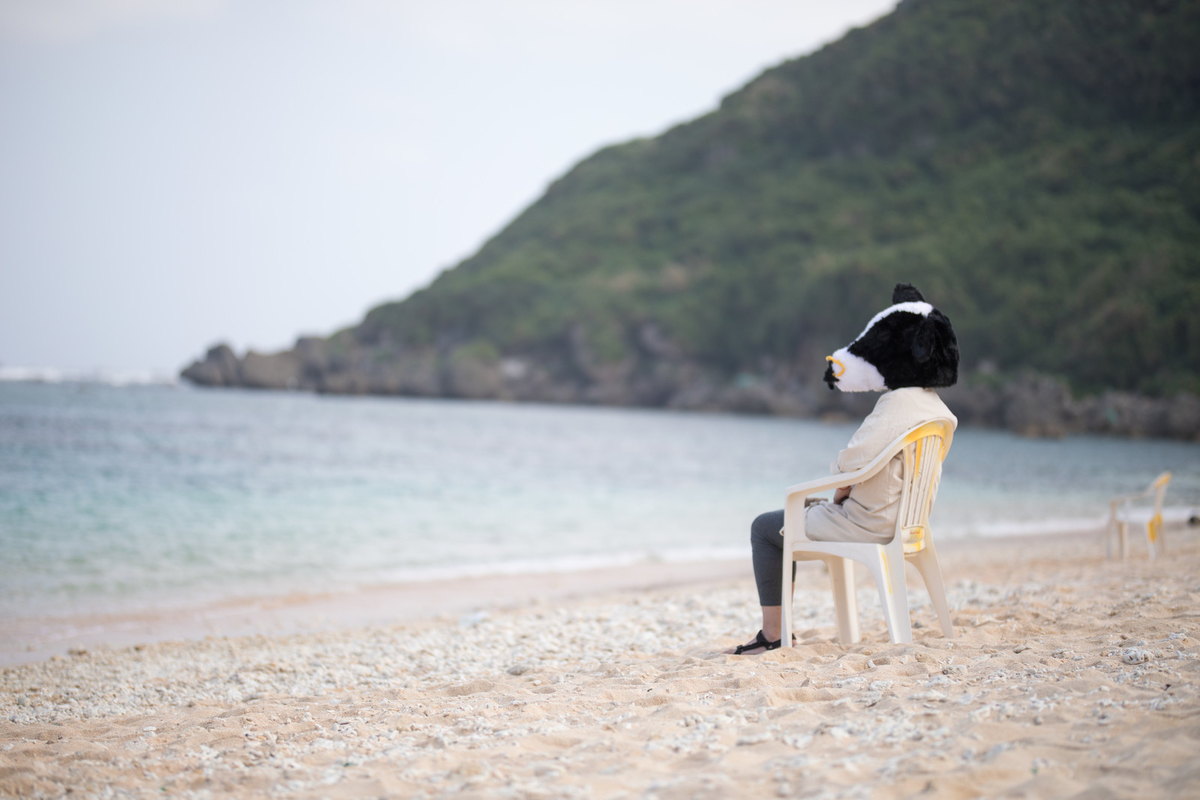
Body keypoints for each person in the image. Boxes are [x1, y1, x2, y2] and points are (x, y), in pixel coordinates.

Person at [727, 284, 960, 655]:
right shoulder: (939, 411)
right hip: (906, 522)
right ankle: (781, 633)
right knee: (803, 510)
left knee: (765, 528)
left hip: (868, 523)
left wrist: (838, 490)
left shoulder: (897, 404)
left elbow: (851, 462)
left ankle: (773, 636)